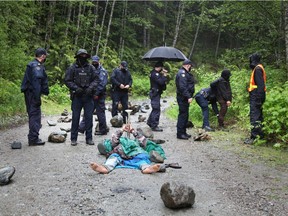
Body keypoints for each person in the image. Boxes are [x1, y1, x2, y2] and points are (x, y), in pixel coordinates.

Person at [90, 124, 166, 174]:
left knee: (142, 159)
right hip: (121, 155)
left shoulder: (136, 143)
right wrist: (122, 130)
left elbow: (143, 140)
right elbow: (114, 139)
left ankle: (147, 168)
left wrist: (133, 131)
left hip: (136, 155)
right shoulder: (119, 141)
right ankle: (105, 168)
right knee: (113, 157)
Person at [64, 49, 99, 146]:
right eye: (81, 55)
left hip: (88, 96)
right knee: (75, 118)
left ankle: (89, 138)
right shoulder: (72, 68)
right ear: (78, 56)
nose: (83, 57)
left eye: (85, 56)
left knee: (89, 118)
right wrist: (76, 88)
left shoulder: (91, 68)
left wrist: (90, 88)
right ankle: (73, 139)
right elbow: (67, 80)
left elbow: (96, 79)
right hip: (77, 96)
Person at [21, 48, 49, 146]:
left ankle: (33, 137)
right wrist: (37, 98)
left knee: (32, 114)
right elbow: (36, 83)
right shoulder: (37, 66)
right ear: (43, 56)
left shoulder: (31, 64)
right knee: (35, 115)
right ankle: (33, 138)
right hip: (33, 94)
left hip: (29, 93)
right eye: (45, 56)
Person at [78, 55, 109, 135]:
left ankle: (103, 129)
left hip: (99, 95)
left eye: (96, 61)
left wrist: (96, 93)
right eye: (93, 61)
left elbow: (102, 84)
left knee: (100, 112)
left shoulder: (102, 71)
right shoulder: (90, 69)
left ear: (99, 61)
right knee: (87, 111)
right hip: (90, 94)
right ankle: (81, 128)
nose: (94, 63)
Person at [244, 53, 266, 145]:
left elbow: (260, 85)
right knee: (258, 116)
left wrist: (258, 99)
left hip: (257, 95)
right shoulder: (259, 68)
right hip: (258, 95)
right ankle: (260, 136)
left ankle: (254, 137)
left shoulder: (257, 69)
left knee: (255, 116)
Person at [175, 59, 195, 140]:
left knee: (185, 115)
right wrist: (188, 96)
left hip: (184, 97)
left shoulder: (184, 73)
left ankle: (183, 132)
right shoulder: (182, 74)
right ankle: (180, 133)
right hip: (183, 97)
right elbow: (182, 87)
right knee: (183, 115)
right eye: (190, 66)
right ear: (188, 65)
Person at [147, 61, 168, 132]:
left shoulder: (157, 74)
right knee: (156, 109)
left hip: (157, 93)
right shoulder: (155, 74)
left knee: (155, 108)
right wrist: (164, 75)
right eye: (161, 68)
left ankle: (150, 122)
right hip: (154, 93)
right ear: (159, 67)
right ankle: (154, 125)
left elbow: (163, 84)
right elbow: (161, 82)